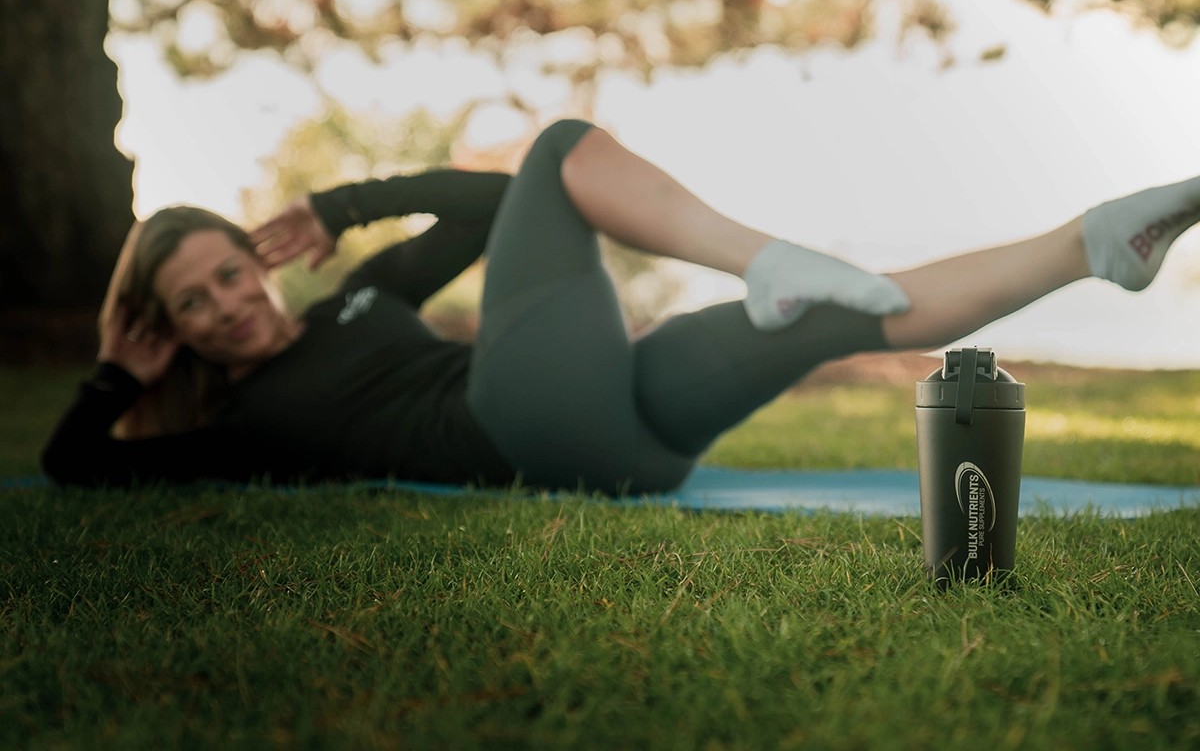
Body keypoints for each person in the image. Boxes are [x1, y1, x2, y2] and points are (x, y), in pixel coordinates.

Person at [41, 118, 1200, 492]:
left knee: (855, 307)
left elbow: (497, 210)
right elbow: (77, 464)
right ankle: (760, 254)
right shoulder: (244, 427)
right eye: (195, 304)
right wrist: (113, 370)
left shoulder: (364, 298)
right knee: (561, 143)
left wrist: (348, 204)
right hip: (516, 423)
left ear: (259, 264)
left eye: (229, 273)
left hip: (629, 446)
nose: (228, 307)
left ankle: (1089, 245)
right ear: (176, 331)